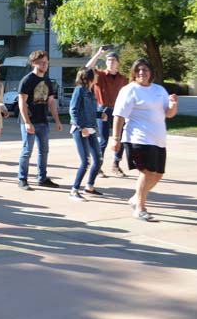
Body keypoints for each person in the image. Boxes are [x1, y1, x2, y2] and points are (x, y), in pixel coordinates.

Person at [112, 58, 178, 221]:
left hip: (158, 138)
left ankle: (135, 199)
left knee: (157, 174)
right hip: (138, 138)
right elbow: (119, 115)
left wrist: (173, 104)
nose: (142, 73)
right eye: (138, 70)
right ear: (134, 73)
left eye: (145, 70)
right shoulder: (129, 90)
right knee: (147, 172)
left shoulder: (159, 90)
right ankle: (140, 208)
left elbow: (169, 114)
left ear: (151, 73)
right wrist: (116, 138)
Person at [17, 50, 62, 190]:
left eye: (46, 62)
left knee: (44, 151)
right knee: (27, 151)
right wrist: (27, 122)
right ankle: (22, 179)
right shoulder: (27, 80)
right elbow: (21, 103)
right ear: (33, 63)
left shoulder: (47, 81)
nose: (45, 64)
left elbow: (51, 102)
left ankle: (42, 178)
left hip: (43, 121)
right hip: (29, 121)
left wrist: (57, 120)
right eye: (42, 62)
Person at [85, 47, 128, 176]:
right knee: (103, 140)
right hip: (102, 110)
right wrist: (99, 54)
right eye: (108, 60)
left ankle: (116, 165)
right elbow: (87, 68)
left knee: (121, 139)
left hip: (118, 112)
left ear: (118, 62)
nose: (110, 62)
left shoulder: (123, 79)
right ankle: (98, 166)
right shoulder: (100, 75)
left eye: (113, 60)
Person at [68, 67, 103, 201]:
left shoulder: (91, 91)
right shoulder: (79, 90)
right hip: (80, 130)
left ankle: (89, 186)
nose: (97, 76)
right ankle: (74, 190)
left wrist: (100, 114)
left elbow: (91, 111)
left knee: (98, 159)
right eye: (95, 74)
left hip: (91, 128)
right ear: (87, 77)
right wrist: (81, 127)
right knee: (86, 161)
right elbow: (73, 110)